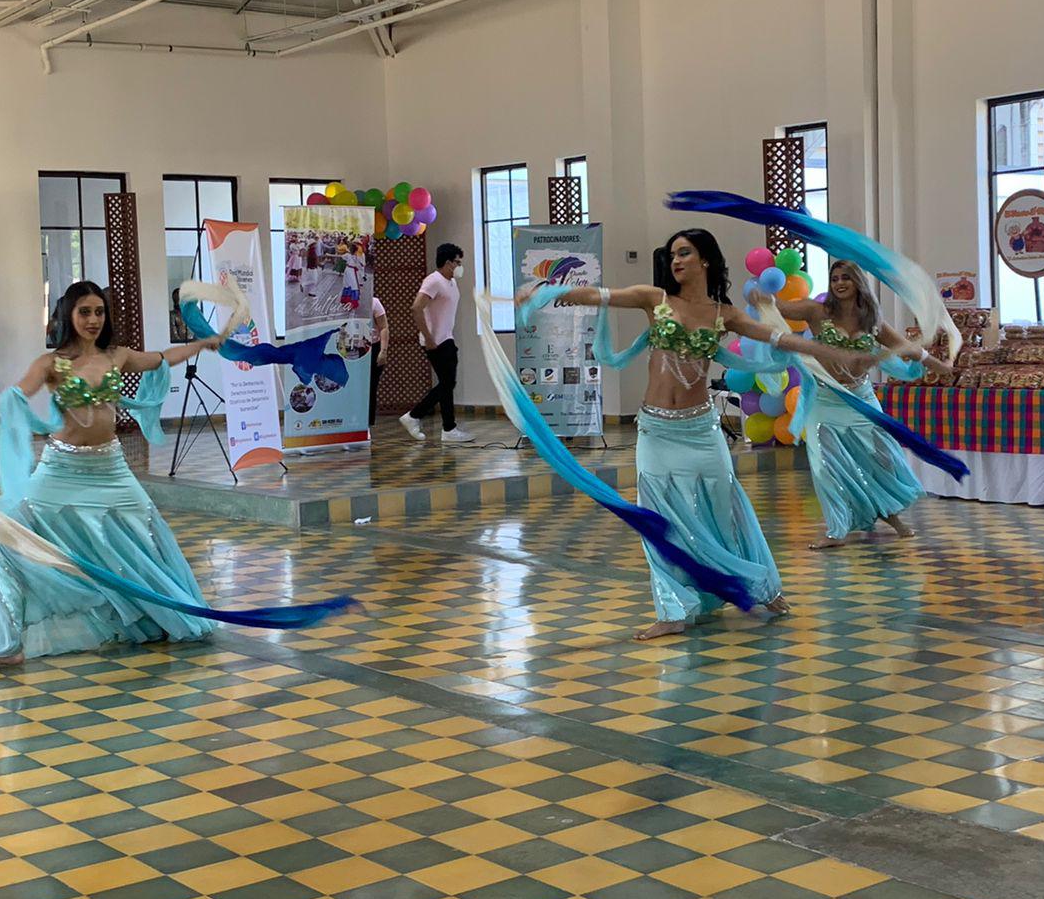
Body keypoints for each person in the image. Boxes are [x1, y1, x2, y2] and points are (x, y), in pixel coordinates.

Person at [534, 230, 879, 640]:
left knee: (726, 511)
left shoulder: (725, 314)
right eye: (673, 254)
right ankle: (673, 608)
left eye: (685, 252)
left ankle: (761, 587)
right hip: (656, 430)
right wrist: (549, 294)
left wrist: (824, 351)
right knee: (658, 520)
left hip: (701, 430)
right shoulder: (655, 299)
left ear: (706, 261)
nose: (676, 260)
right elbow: (605, 295)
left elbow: (773, 336)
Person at [0, 281, 223, 671]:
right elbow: (13, 397)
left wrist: (201, 344)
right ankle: (6, 646)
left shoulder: (118, 356)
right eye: (85, 312)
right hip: (60, 468)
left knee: (145, 540)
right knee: (11, 542)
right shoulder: (51, 364)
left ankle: (159, 616)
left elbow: (161, 358)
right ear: (68, 315)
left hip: (111, 469)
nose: (93, 320)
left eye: (99, 312)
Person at [769, 260, 946, 546]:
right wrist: (762, 295)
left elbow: (905, 347)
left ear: (857, 283)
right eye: (835, 278)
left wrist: (937, 364)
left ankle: (892, 515)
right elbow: (781, 308)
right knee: (824, 464)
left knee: (881, 458)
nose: (839, 283)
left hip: (861, 399)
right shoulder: (817, 311)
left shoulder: (871, 320)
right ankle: (836, 529)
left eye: (846, 278)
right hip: (825, 399)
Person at [402, 243, 472, 443]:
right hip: (435, 342)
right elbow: (416, 308)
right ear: (448, 262)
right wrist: (429, 337)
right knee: (448, 383)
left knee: (448, 384)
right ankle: (414, 416)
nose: (460, 266)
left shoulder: (451, 282)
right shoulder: (433, 281)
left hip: (447, 338)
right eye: (457, 262)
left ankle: (449, 429)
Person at [369, 295, 389, 426]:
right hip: (350, 348)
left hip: (373, 347)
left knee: (371, 386)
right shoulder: (344, 302)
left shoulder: (374, 302)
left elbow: (383, 327)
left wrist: (383, 351)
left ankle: (368, 423)